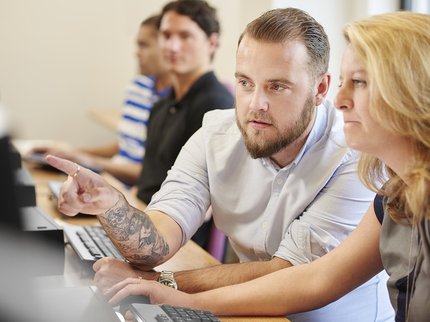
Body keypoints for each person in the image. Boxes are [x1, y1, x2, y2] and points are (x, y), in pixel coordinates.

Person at [46, 8, 395, 322]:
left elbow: (286, 272)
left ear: (320, 89)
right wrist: (111, 204)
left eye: (277, 87)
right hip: (242, 312)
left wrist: (162, 282)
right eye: (245, 83)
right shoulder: (216, 134)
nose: (256, 104)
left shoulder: (355, 155)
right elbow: (156, 242)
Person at [133, 0, 234, 249]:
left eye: (185, 36)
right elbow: (150, 179)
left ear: (212, 42)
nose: (172, 46)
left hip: (176, 243)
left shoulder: (215, 106)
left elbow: (203, 203)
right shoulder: (161, 103)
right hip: (140, 222)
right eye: (166, 35)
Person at [29, 15, 172, 185]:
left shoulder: (174, 105)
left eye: (144, 45)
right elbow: (126, 145)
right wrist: (71, 153)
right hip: (111, 179)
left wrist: (88, 161)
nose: (136, 53)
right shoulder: (138, 87)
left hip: (130, 189)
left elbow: (152, 175)